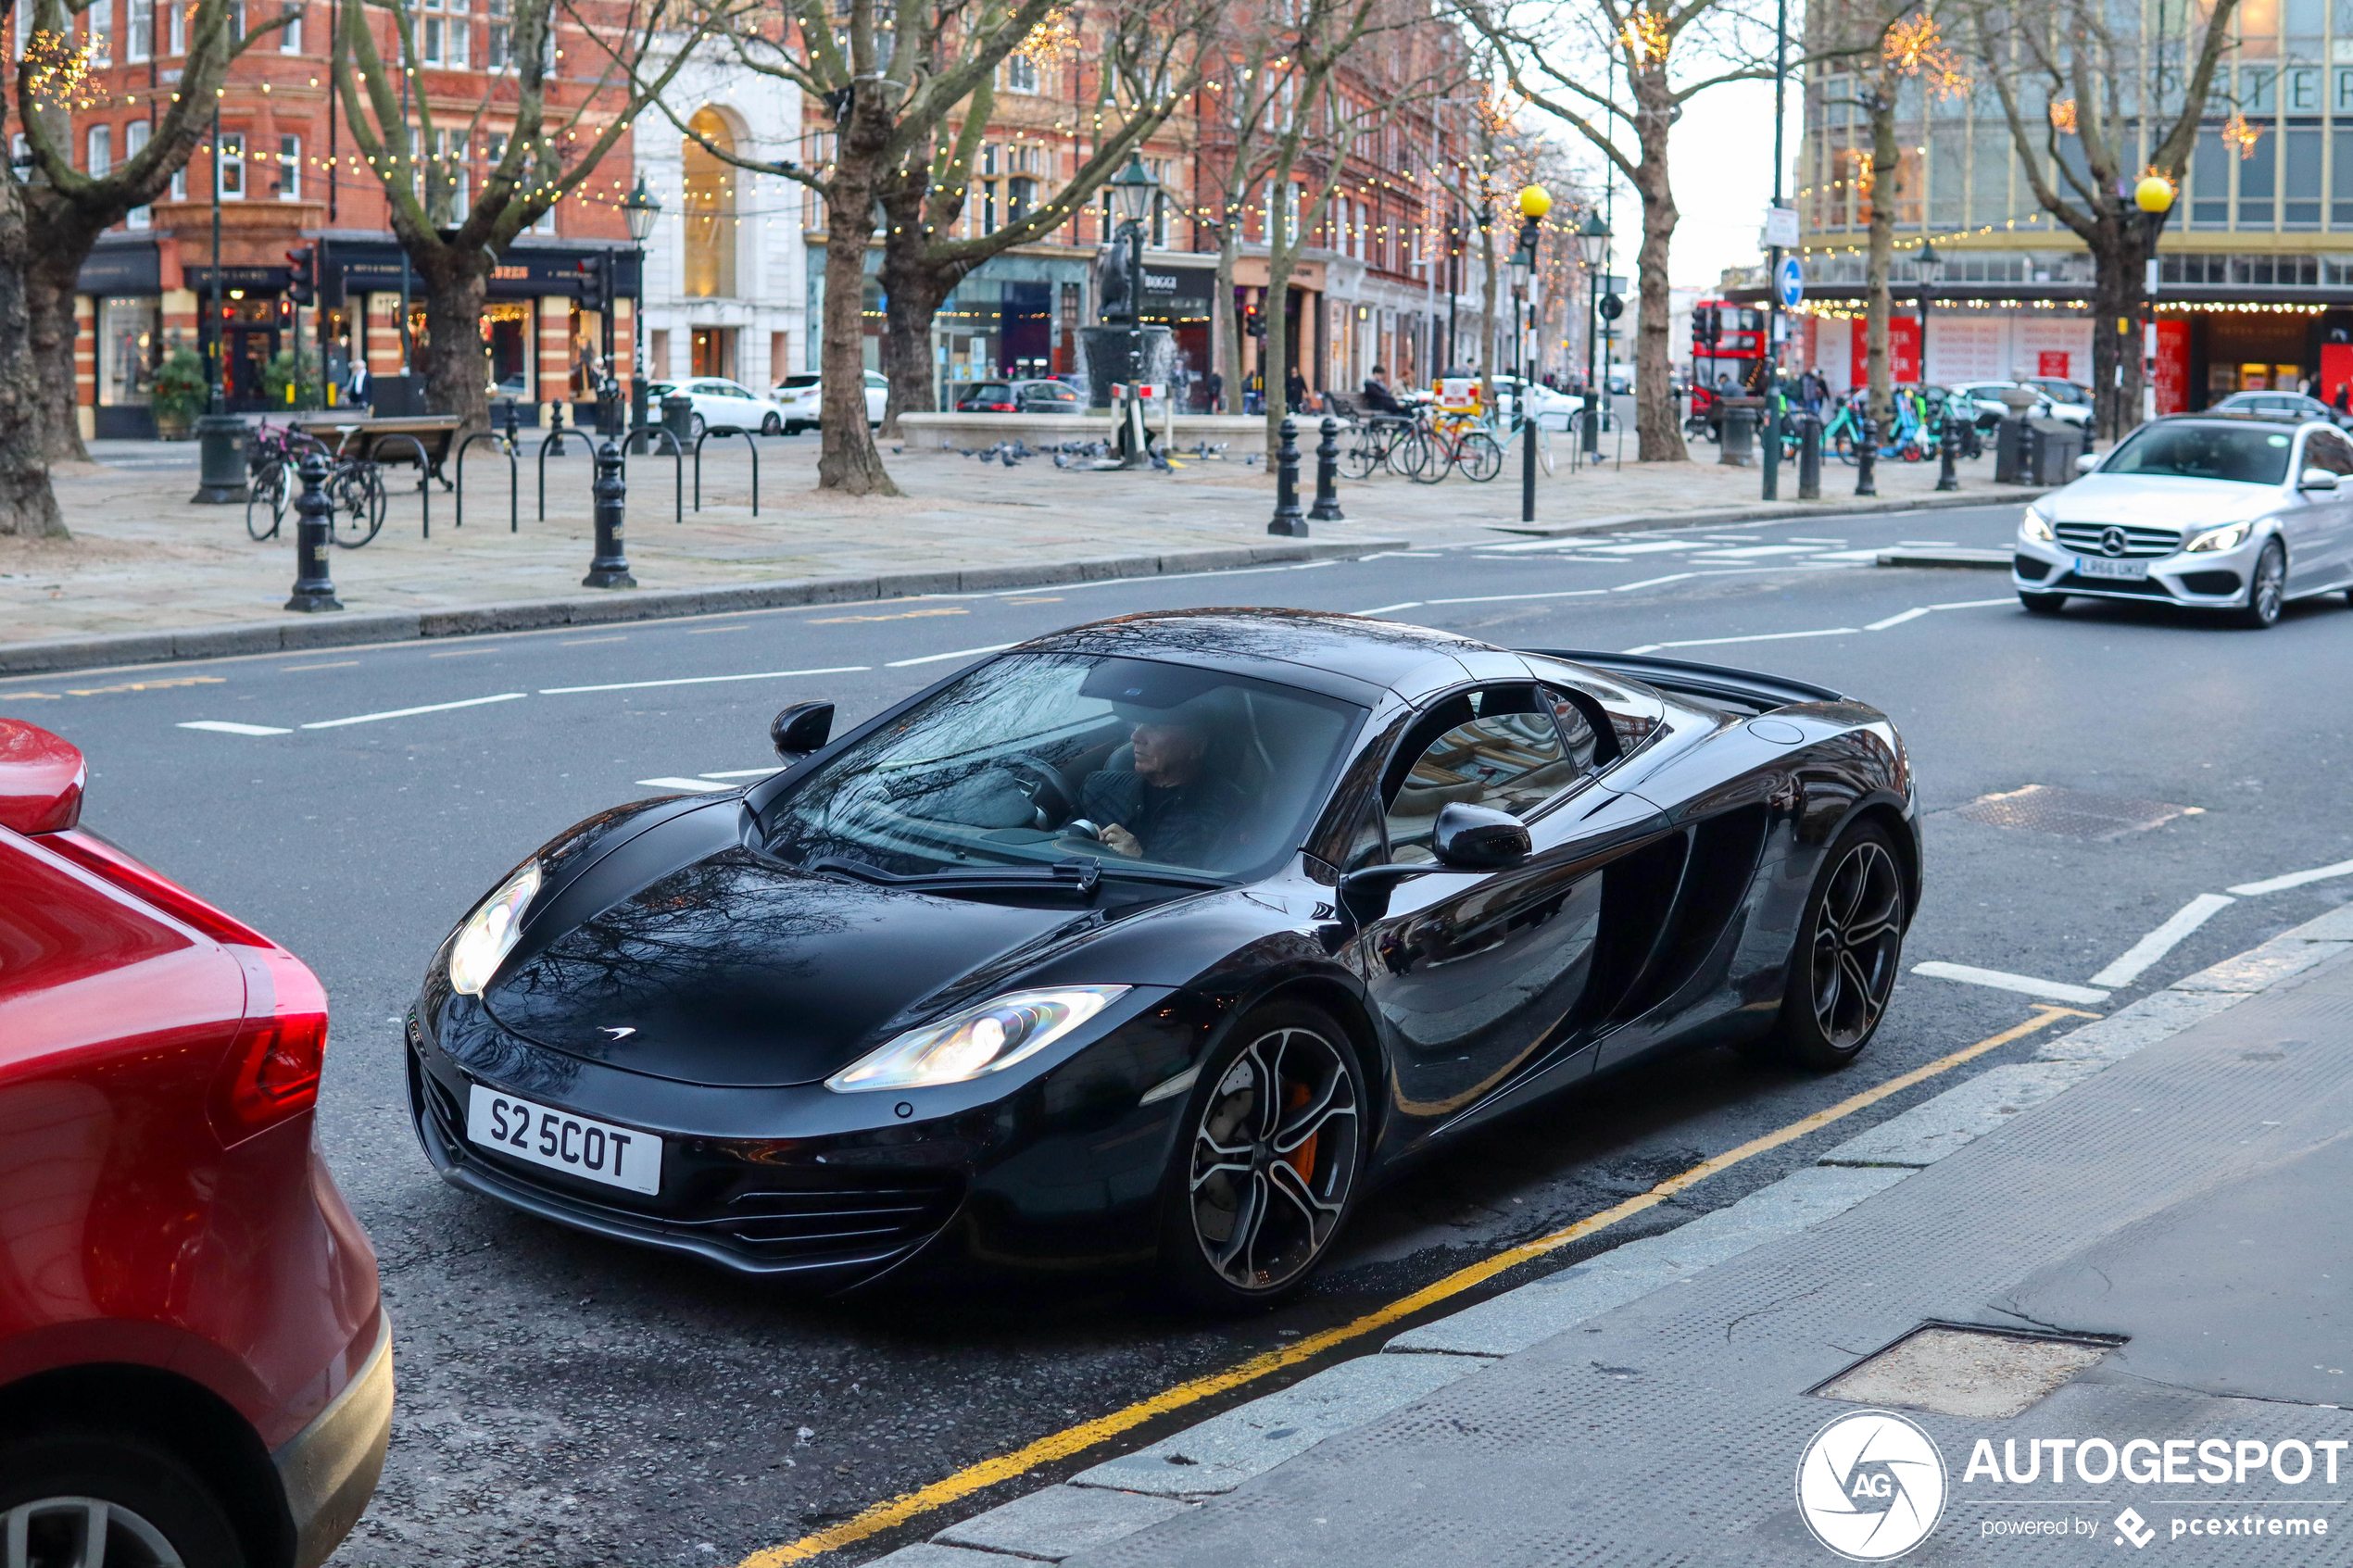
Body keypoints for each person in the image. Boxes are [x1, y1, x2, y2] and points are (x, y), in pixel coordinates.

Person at [1081, 707, 1249, 868]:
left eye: (1155, 726)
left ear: (1197, 747)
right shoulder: (1098, 787)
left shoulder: (1226, 810)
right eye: (1138, 724)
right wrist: (1078, 840)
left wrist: (1143, 860)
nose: (1135, 736)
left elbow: (1217, 883)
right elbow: (1057, 843)